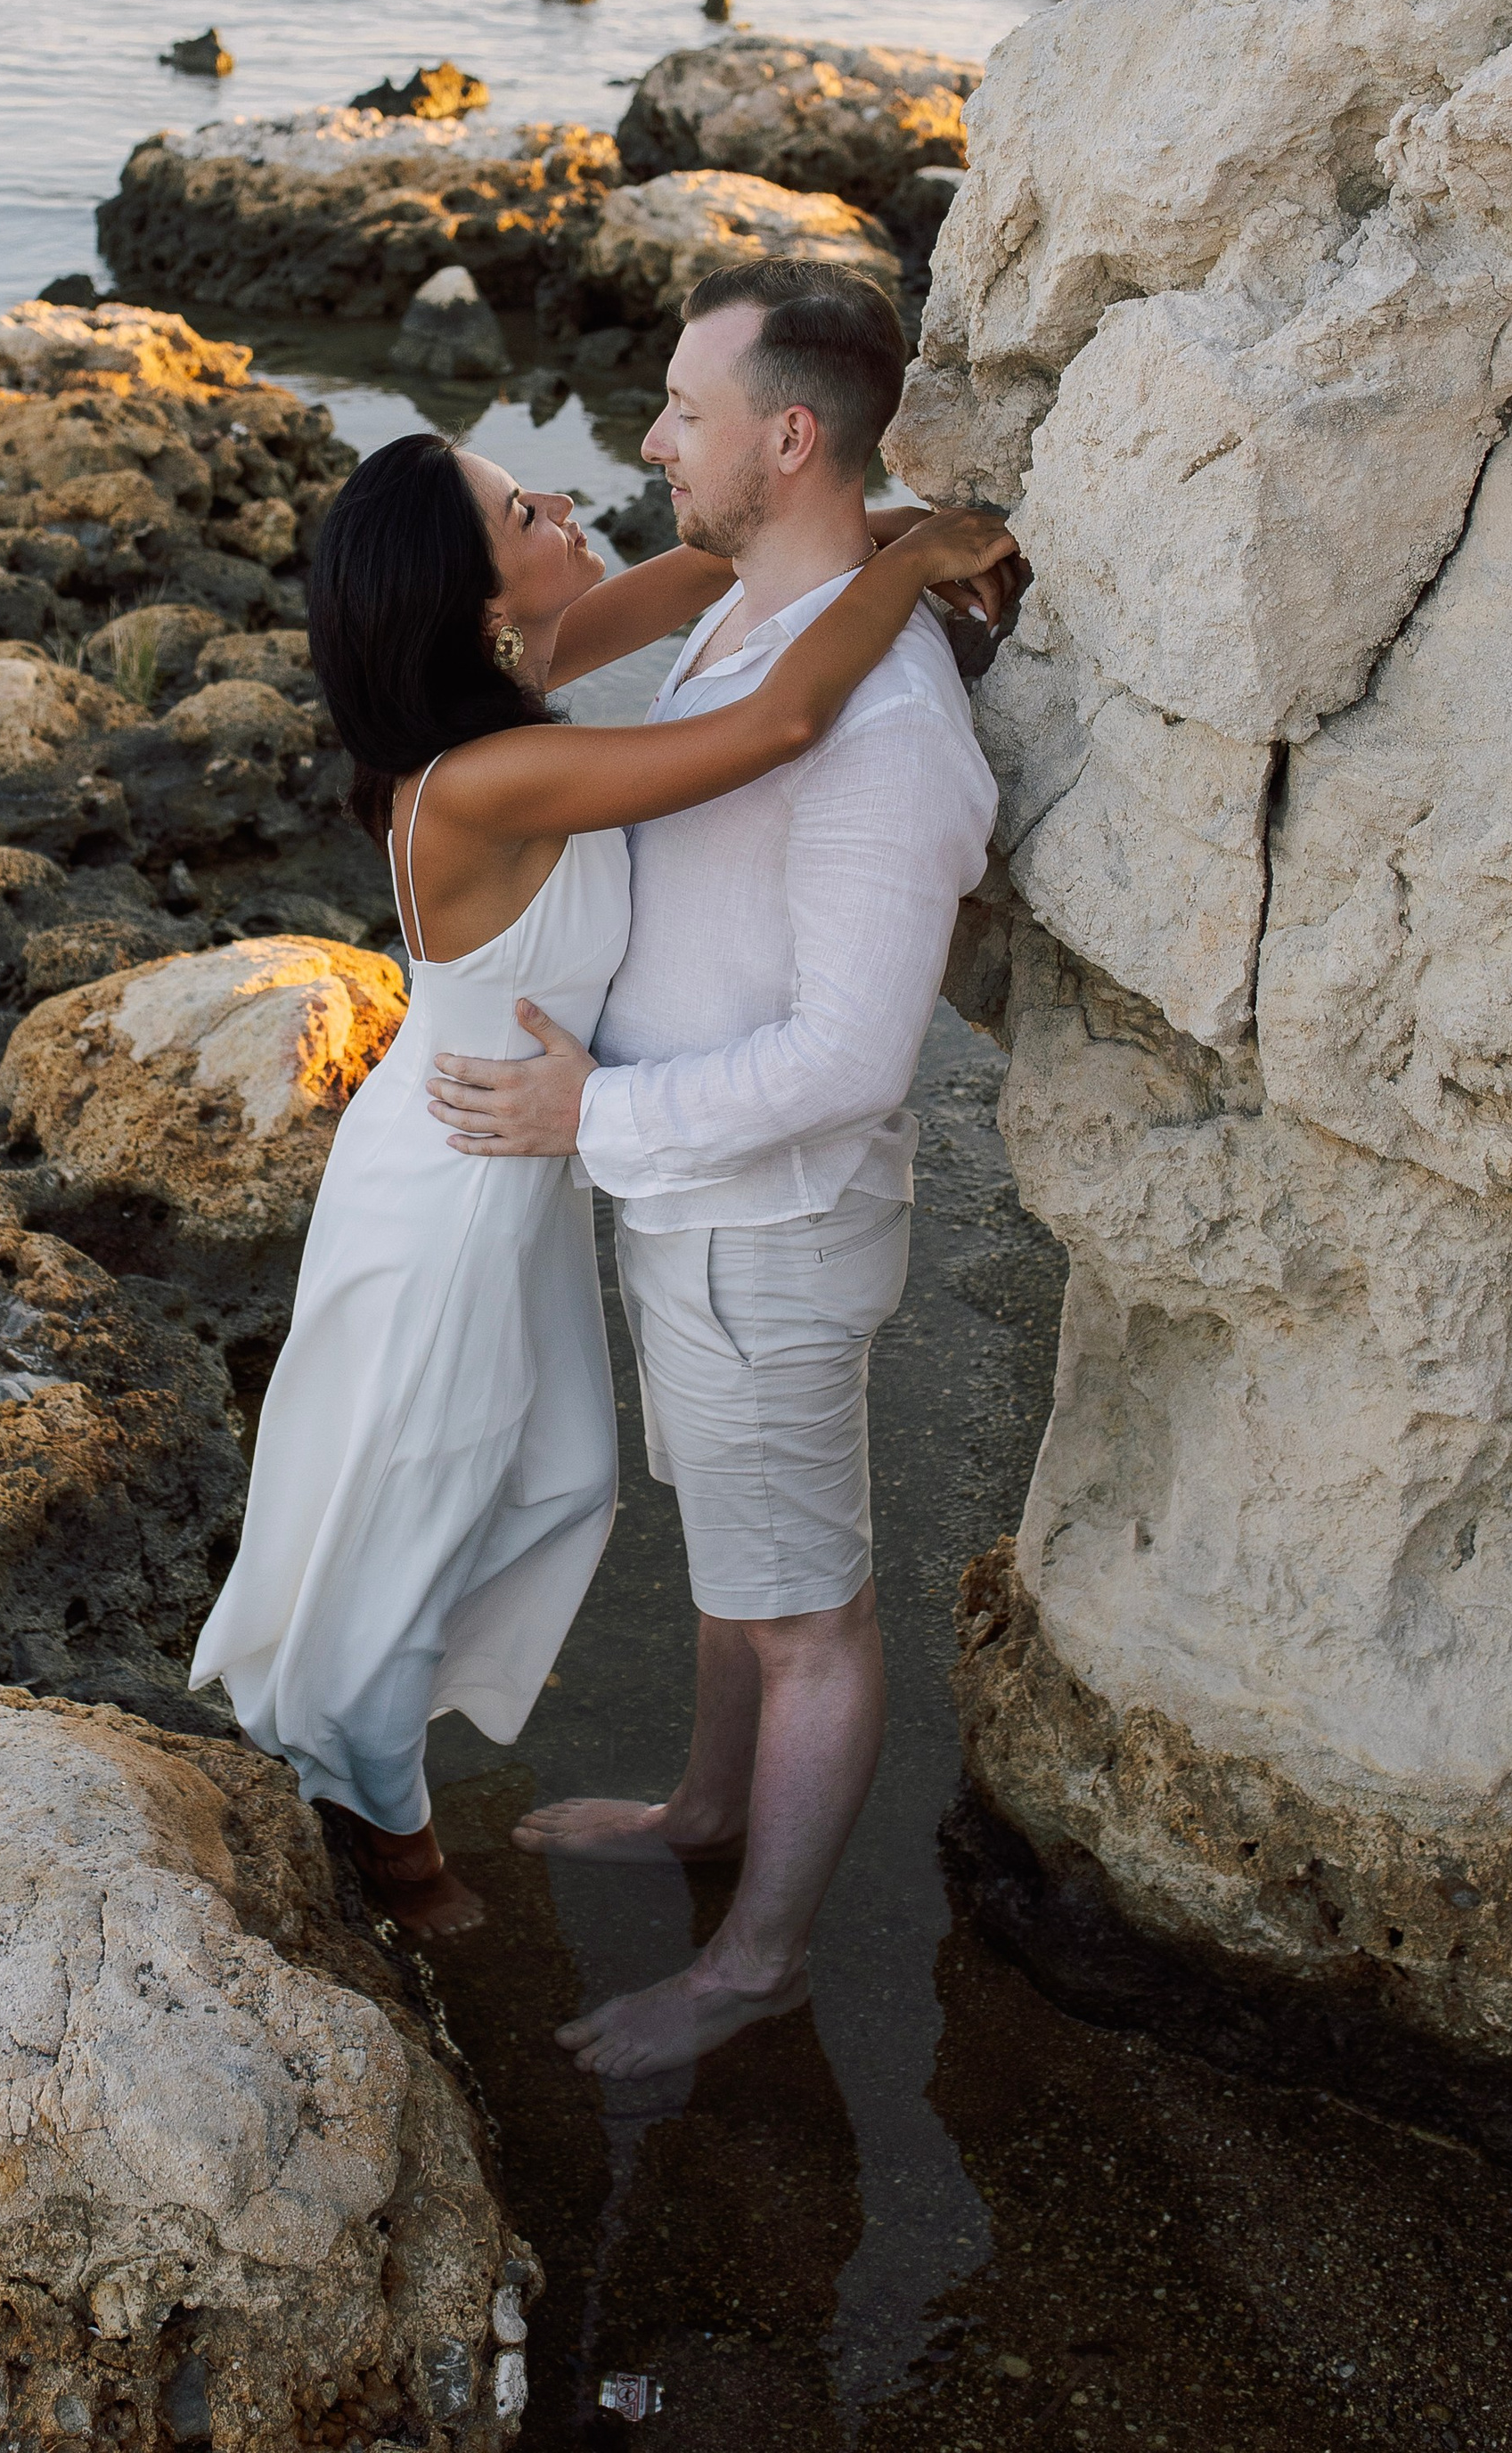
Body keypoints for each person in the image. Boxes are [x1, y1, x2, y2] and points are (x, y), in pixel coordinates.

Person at [188, 365, 1015, 1931]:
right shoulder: (492, 776)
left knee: (549, 1478)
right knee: (419, 1500)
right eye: (523, 510)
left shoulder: (524, 670)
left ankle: (376, 1761)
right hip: (451, 1194)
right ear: (477, 600)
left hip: (513, 1167)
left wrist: (884, 516)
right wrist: (907, 567)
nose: (563, 503)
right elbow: (779, 718)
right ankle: (384, 1823)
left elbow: (723, 561)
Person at [425, 258, 1008, 2071]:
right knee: (735, 1562)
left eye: (682, 408)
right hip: (684, 1204)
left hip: (757, 1224)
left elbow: (847, 1059)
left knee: (809, 1609)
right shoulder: (758, 609)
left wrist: (586, 1115)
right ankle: (701, 1813)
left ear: (788, 434)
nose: (646, 439)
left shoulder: (883, 726)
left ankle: (752, 1963)